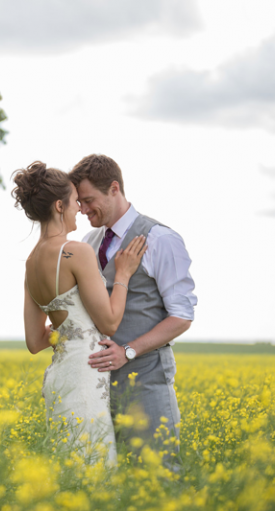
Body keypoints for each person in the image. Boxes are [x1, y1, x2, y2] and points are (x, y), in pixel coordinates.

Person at [12, 161, 147, 466]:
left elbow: (34, 341)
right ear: (60, 206)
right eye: (75, 202)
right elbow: (110, 321)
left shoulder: (31, 262)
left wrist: (71, 328)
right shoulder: (76, 251)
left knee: (69, 465)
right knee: (93, 464)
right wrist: (123, 275)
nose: (80, 210)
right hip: (85, 371)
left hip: (59, 374)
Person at [69, 153, 197, 469]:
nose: (83, 210)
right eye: (79, 203)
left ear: (114, 188)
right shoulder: (88, 241)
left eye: (88, 200)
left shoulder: (161, 239)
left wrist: (127, 351)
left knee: (158, 474)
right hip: (96, 384)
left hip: (146, 379)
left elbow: (182, 315)